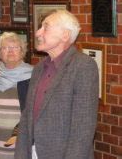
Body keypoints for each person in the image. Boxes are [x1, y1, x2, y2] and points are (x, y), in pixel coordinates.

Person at [14, 10, 99, 159]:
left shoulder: (83, 66)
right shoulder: (39, 68)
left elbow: (83, 128)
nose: (38, 33)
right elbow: (27, 116)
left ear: (65, 35)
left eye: (45, 27)